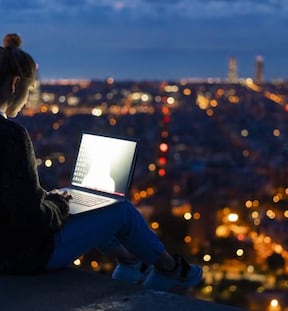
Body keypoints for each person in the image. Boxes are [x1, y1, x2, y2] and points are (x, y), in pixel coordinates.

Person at [0, 33, 202, 292]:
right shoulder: (11, 135)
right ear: (15, 84)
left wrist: (47, 199)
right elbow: (34, 219)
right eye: (29, 91)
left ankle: (129, 262)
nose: (27, 100)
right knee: (121, 211)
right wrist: (58, 204)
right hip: (21, 257)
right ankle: (171, 270)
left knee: (87, 207)